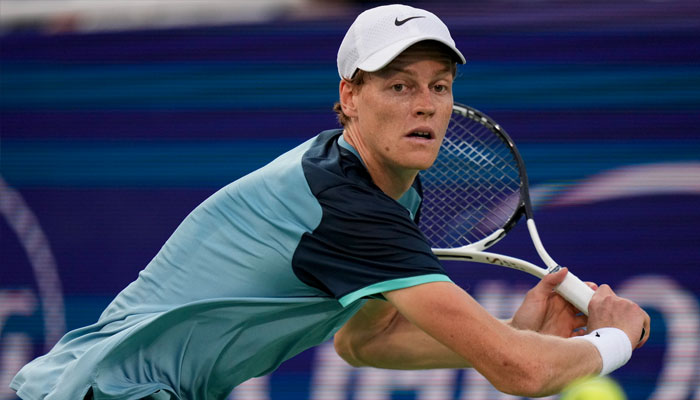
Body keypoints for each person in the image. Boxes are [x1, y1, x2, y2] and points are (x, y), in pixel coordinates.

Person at [11, 4, 650, 400]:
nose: (425, 103)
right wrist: (615, 339)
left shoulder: (386, 192)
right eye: (399, 86)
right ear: (349, 96)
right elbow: (521, 374)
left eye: (439, 86)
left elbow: (365, 343)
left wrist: (512, 332)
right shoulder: (342, 203)